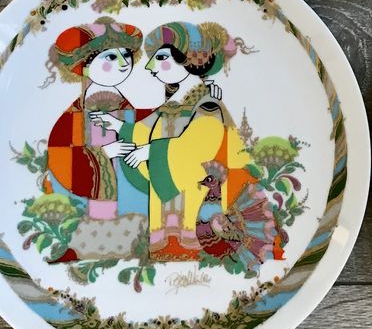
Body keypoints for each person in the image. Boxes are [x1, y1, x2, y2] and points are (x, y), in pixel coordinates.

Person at [92, 22, 255, 262]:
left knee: (193, 233)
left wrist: (150, 152)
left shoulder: (207, 104)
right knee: (165, 240)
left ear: (189, 59)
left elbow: (199, 146)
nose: (150, 66)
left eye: (160, 58)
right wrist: (117, 126)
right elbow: (145, 130)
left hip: (195, 184)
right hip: (167, 187)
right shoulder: (173, 103)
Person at [42, 18, 153, 262]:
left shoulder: (127, 107)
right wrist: (104, 153)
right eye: (111, 57)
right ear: (85, 67)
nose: (123, 64)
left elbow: (147, 130)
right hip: (96, 201)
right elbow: (61, 156)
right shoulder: (73, 116)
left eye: (126, 55)